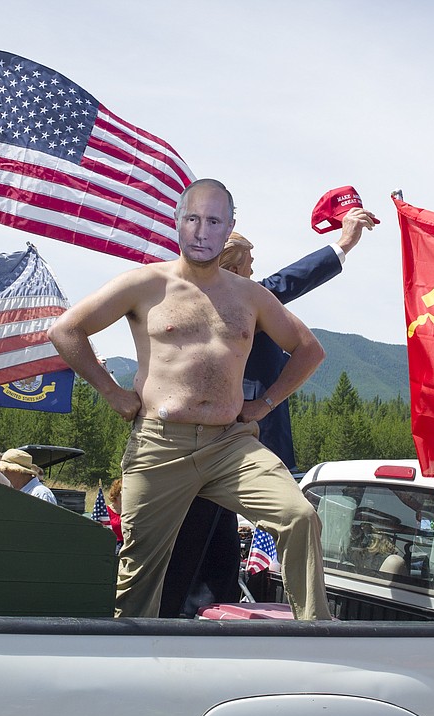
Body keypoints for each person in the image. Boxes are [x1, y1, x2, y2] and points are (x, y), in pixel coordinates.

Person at [48, 177, 330, 620]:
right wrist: (112, 392)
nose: (202, 231)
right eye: (193, 219)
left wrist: (264, 405)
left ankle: (317, 637)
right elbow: (65, 330)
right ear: (177, 223)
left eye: (214, 221)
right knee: (141, 575)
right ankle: (130, 668)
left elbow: (309, 349)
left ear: (229, 227)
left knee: (298, 516)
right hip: (160, 445)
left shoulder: (251, 297)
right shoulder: (144, 284)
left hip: (230, 444)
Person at [160, 207, 377, 616]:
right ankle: (180, 619)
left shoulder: (212, 303)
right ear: (232, 266)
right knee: (198, 536)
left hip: (221, 435)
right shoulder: (231, 303)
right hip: (228, 433)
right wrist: (343, 244)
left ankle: (205, 612)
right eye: (249, 260)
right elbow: (288, 282)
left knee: (215, 536)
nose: (256, 267)